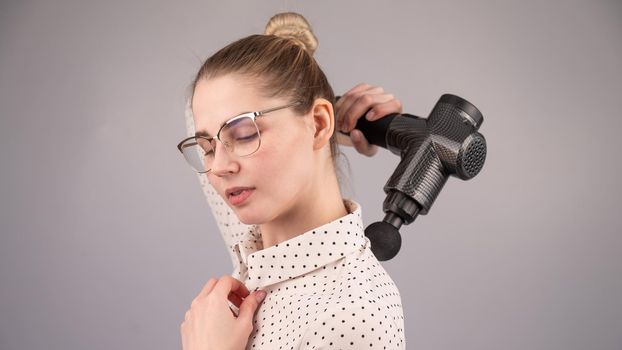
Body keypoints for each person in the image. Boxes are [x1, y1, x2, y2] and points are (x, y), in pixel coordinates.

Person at [178, 12, 405, 350]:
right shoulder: (257, 240)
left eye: (243, 133)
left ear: (318, 123)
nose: (219, 167)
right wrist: (338, 121)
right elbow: (195, 110)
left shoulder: (352, 316)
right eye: (206, 147)